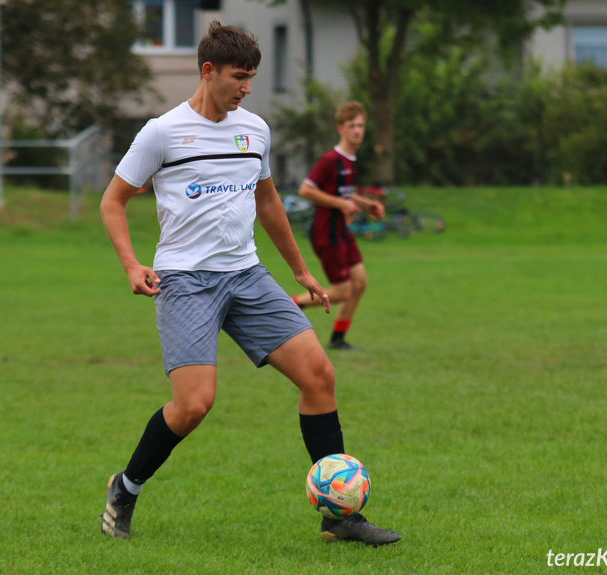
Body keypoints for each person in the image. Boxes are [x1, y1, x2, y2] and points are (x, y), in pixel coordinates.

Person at [99, 22, 400, 546]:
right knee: (194, 404)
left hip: (247, 274)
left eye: (253, 78)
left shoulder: (254, 130)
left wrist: (301, 270)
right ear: (208, 71)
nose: (247, 88)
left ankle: (340, 519)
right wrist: (131, 264)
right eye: (239, 77)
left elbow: (267, 202)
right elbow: (113, 201)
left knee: (319, 377)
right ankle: (125, 487)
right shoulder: (161, 132)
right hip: (186, 281)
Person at [290, 102, 384, 350]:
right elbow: (305, 190)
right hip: (326, 232)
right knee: (342, 291)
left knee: (360, 283)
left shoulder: (351, 159)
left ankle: (338, 339)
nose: (357, 130)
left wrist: (366, 204)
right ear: (340, 128)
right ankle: (288, 305)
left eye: (361, 125)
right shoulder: (330, 160)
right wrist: (340, 205)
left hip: (342, 231)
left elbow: (345, 193)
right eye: (352, 126)